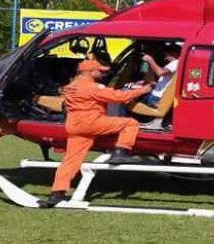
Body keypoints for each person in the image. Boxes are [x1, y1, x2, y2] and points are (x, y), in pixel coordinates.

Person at [39, 58, 154, 208]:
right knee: (130, 123)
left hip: (74, 127)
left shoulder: (70, 87)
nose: (103, 74)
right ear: (89, 72)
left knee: (70, 161)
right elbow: (118, 97)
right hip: (92, 123)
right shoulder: (93, 87)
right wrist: (143, 90)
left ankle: (57, 194)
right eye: (100, 71)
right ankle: (120, 153)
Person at [138, 43, 180, 129]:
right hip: (156, 96)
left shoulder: (175, 62)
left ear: (174, 54)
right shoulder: (173, 64)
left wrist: (150, 60)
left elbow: (160, 72)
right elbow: (146, 75)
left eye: (167, 54)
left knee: (126, 96)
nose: (166, 56)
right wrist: (146, 64)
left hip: (156, 99)